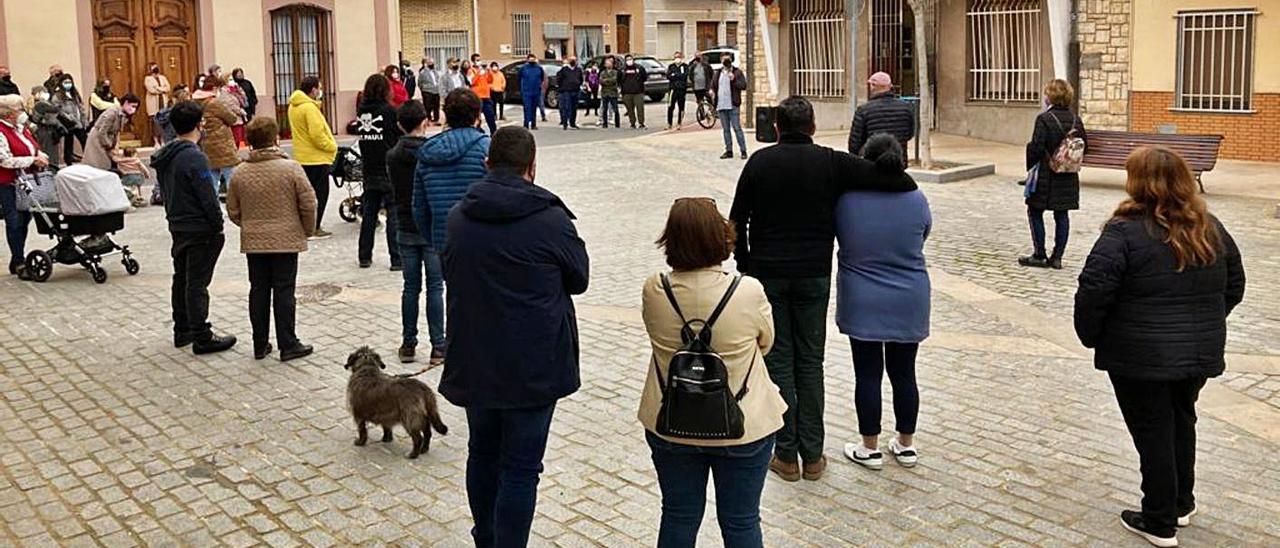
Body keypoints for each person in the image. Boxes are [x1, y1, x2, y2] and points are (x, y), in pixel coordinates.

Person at [729, 96, 918, 483]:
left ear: (776, 128)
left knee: (778, 360)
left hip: (769, 276)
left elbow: (737, 219)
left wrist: (745, 263)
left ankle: (786, 454)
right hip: (814, 274)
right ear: (813, 127)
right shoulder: (831, 163)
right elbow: (897, 178)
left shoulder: (760, 163)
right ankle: (813, 456)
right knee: (810, 362)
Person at [1074, 147, 1246, 548]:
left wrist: (1094, 334)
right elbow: (1234, 285)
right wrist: (1206, 322)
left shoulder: (1123, 232)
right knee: (1181, 421)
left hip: (1141, 356)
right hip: (1192, 352)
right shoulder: (1208, 227)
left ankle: (1159, 518)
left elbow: (1094, 292)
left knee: (1155, 430)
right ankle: (1181, 502)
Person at [440, 126, 589, 548]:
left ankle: (484, 538)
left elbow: (451, 271)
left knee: (482, 455)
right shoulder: (551, 220)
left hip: (476, 357)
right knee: (522, 468)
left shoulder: (458, 218)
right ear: (532, 167)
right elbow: (579, 279)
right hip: (534, 362)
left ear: (488, 163)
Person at [640, 197, 784, 546]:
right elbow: (766, 343)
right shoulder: (748, 291)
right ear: (722, 237)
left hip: (671, 421)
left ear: (670, 240)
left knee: (677, 515)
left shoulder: (656, 289)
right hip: (744, 423)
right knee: (741, 522)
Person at [835, 134, 932, 471]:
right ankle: (906, 445)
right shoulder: (917, 198)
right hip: (910, 296)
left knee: (868, 373)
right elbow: (923, 235)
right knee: (905, 373)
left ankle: (869, 446)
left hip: (863, 296)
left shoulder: (847, 199)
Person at [226, 116, 318, 362]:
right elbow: (308, 202)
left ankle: (259, 343)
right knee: (284, 290)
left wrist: (249, 225)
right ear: (275, 139)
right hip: (286, 239)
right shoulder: (291, 168)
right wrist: (306, 230)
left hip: (254, 241)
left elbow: (232, 209)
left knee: (258, 290)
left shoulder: (239, 172)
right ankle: (288, 343)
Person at [151, 100, 237, 355]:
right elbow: (206, 194)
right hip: (198, 227)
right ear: (199, 125)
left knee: (182, 278)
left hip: (178, 223)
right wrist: (217, 224)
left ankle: (183, 328)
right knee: (196, 283)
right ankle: (202, 334)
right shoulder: (194, 158)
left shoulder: (168, 154)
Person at [387, 100, 446, 366]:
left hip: (404, 225)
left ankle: (408, 344)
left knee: (410, 288)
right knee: (435, 287)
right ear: (425, 122)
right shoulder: (432, 153)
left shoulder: (393, 155)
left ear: (400, 124)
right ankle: (439, 346)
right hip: (431, 226)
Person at [412, 88, 490, 254]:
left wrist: (434, 240)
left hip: (444, 242)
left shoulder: (428, 152)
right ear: (477, 116)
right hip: (483, 241)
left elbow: (419, 208)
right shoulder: (487, 148)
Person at [1021, 79, 1087, 270]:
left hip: (1046, 174)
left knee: (1035, 211)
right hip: (1068, 174)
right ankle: (1057, 257)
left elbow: (1037, 147)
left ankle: (1039, 254)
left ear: (1050, 96)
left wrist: (1030, 166)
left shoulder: (1044, 119)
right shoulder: (1076, 119)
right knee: (1062, 214)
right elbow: (1085, 146)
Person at [355, 73, 403, 270]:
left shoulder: (362, 111)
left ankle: (364, 256)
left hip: (369, 167)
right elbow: (398, 135)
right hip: (388, 167)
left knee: (369, 213)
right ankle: (396, 258)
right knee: (393, 214)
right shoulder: (389, 111)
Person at [0, 94, 47, 279]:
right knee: (14, 221)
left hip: (25, 181)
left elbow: (33, 147)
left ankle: (16, 257)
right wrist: (32, 159)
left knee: (25, 218)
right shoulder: (1, 131)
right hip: (8, 183)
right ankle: (19, 261)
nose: (23, 113)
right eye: (19, 109)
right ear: (8, 113)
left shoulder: (21, 129)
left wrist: (41, 156)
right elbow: (4, 159)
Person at [287, 76, 338, 239]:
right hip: (317, 157)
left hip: (302, 156)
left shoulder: (293, 106)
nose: (320, 91)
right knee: (319, 194)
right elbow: (317, 134)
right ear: (313, 89)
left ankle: (305, 225)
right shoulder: (309, 108)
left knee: (305, 194)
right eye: (319, 88)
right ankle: (314, 227)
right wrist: (332, 146)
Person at [847, 72, 915, 159]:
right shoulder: (906, 108)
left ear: (873, 86)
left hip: (872, 162)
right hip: (898, 161)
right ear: (890, 86)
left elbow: (854, 143)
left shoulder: (863, 110)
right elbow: (909, 134)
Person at [192, 78, 240, 197]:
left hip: (206, 144)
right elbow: (232, 118)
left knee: (212, 180)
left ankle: (213, 207)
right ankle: (234, 208)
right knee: (231, 179)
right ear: (214, 89)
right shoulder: (215, 102)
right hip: (222, 145)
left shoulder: (196, 102)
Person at [82, 93, 140, 170]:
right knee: (98, 163)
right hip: (98, 139)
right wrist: (108, 145)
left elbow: (116, 132)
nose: (134, 109)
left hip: (107, 139)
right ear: (126, 103)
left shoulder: (123, 115)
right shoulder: (112, 113)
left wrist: (114, 146)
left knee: (107, 163)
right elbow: (102, 132)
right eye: (133, 106)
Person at [711, 55, 748, 159]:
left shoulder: (737, 72)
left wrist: (734, 79)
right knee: (726, 129)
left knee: (737, 128)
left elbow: (743, 86)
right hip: (721, 105)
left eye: (727, 60)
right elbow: (713, 85)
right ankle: (729, 150)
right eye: (724, 60)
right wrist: (712, 91)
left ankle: (743, 150)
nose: (726, 62)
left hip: (733, 104)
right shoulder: (718, 73)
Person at [52, 75, 88, 164]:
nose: (68, 84)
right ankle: (68, 160)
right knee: (69, 141)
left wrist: (84, 119)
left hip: (78, 121)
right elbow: (57, 110)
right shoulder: (57, 96)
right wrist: (68, 117)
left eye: (69, 82)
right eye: (66, 82)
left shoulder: (75, 93)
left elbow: (80, 106)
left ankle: (88, 158)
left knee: (85, 140)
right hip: (68, 122)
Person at [30, 86, 63, 167]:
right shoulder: (38, 105)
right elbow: (36, 118)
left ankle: (52, 167)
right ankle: (50, 168)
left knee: (52, 151)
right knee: (47, 151)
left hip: (50, 131)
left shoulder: (47, 103)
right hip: (44, 130)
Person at [144, 62, 173, 147]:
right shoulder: (147, 78)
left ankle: (163, 140)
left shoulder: (162, 77)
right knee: (155, 122)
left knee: (164, 121)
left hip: (163, 102)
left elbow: (168, 88)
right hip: (153, 104)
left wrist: (157, 88)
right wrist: (161, 89)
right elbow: (151, 90)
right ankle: (156, 141)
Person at [517, 54, 546, 130]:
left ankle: (533, 124)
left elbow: (542, 78)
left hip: (536, 91)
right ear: (527, 60)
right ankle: (526, 124)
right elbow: (518, 78)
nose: (532, 60)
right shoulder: (523, 68)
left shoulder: (539, 68)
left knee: (534, 108)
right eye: (530, 59)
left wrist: (539, 86)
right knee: (527, 108)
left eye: (533, 59)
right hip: (526, 91)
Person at [467, 61, 496, 134]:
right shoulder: (471, 71)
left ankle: (493, 132)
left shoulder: (484, 71)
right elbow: (471, 82)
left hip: (486, 96)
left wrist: (489, 72)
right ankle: (477, 131)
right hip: (477, 97)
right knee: (477, 117)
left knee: (490, 116)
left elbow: (490, 80)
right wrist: (478, 73)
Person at [619, 55, 647, 129]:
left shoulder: (639, 68)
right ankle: (632, 123)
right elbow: (619, 80)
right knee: (630, 109)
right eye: (627, 60)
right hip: (627, 93)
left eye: (630, 59)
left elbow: (644, 77)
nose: (629, 61)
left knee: (640, 108)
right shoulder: (622, 69)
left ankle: (641, 123)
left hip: (638, 92)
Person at [557, 56, 584, 130]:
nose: (573, 61)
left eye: (574, 60)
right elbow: (559, 79)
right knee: (566, 107)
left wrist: (578, 85)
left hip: (575, 91)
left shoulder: (578, 70)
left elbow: (581, 79)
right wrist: (563, 87)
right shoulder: (564, 69)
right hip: (566, 91)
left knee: (574, 108)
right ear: (569, 61)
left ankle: (573, 123)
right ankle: (565, 123)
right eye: (572, 60)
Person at [666, 52, 690, 130]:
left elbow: (684, 76)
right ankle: (669, 123)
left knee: (681, 107)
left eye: (679, 57)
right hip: (673, 89)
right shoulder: (671, 66)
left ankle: (679, 123)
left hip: (682, 89)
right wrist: (676, 75)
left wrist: (675, 75)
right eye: (676, 57)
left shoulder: (685, 66)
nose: (677, 59)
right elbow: (669, 76)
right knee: (670, 107)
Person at [418, 58, 442, 126]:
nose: (432, 64)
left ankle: (436, 119)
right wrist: (423, 89)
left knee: (436, 106)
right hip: (427, 91)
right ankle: (428, 119)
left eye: (433, 63)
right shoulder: (423, 72)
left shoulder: (435, 71)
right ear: (427, 63)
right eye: (430, 63)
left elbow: (438, 79)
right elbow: (420, 82)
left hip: (436, 90)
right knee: (427, 106)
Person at [599, 57, 621, 129]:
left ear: (612, 64)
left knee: (615, 109)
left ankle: (617, 124)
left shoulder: (615, 72)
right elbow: (601, 81)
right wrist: (607, 81)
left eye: (610, 63)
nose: (608, 65)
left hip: (613, 92)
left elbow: (614, 80)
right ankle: (605, 124)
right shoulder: (602, 72)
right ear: (605, 65)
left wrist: (606, 81)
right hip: (604, 93)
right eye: (607, 63)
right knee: (604, 109)